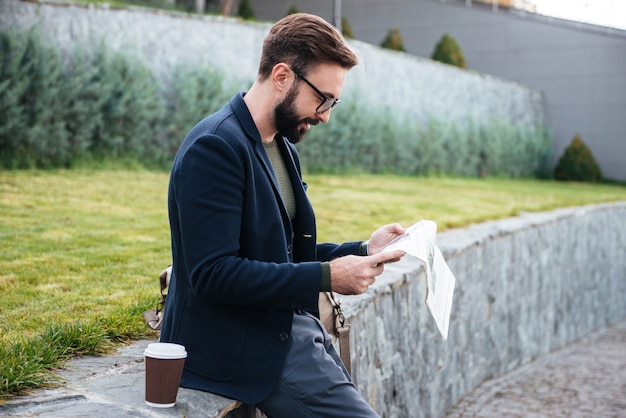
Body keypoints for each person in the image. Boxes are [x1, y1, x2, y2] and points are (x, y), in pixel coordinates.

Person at [159, 12, 406, 417]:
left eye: (334, 102)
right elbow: (212, 274)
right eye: (322, 99)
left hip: (289, 329)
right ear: (281, 76)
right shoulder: (215, 147)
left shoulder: (281, 147)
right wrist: (328, 277)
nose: (325, 115)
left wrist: (363, 249)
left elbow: (280, 253)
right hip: (241, 346)